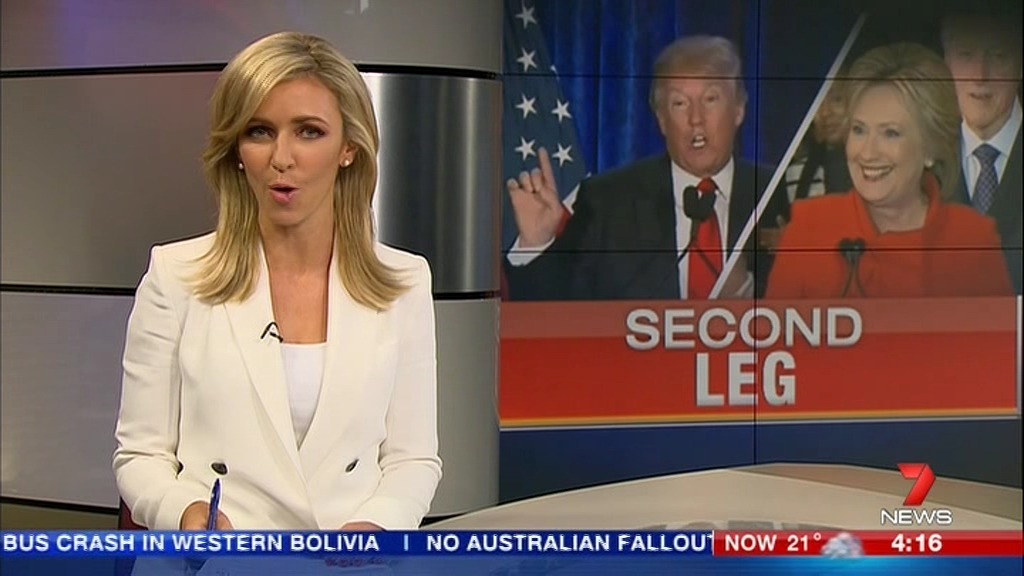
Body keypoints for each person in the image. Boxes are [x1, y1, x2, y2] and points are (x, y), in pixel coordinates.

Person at [113, 32, 442, 531]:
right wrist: (183, 513)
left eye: (308, 132)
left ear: (348, 147)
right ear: (236, 149)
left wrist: (378, 526)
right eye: (260, 131)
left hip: (347, 561)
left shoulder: (403, 282)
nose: (281, 158)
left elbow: (412, 459)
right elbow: (140, 454)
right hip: (216, 559)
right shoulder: (176, 275)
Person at [504, 35, 790, 301]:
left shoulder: (780, 193)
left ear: (739, 109)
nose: (696, 119)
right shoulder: (606, 202)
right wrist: (536, 243)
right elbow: (553, 311)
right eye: (679, 103)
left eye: (711, 99)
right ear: (661, 119)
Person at [765, 43, 1012, 298]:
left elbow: (997, 325)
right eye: (859, 130)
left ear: (931, 147)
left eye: (890, 133)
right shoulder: (807, 229)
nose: (867, 153)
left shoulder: (974, 238)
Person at [940, 3, 1022, 293]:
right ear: (946, 63)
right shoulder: (918, 162)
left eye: (998, 56)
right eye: (966, 55)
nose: (979, 75)